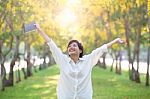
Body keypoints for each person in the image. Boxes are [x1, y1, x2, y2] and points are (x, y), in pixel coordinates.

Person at [35, 23, 125, 99]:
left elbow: (101, 49)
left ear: (80, 50)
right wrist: (40, 30)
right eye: (69, 46)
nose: (71, 47)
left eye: (74, 45)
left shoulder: (88, 60)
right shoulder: (63, 60)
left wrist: (116, 41)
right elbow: (51, 44)